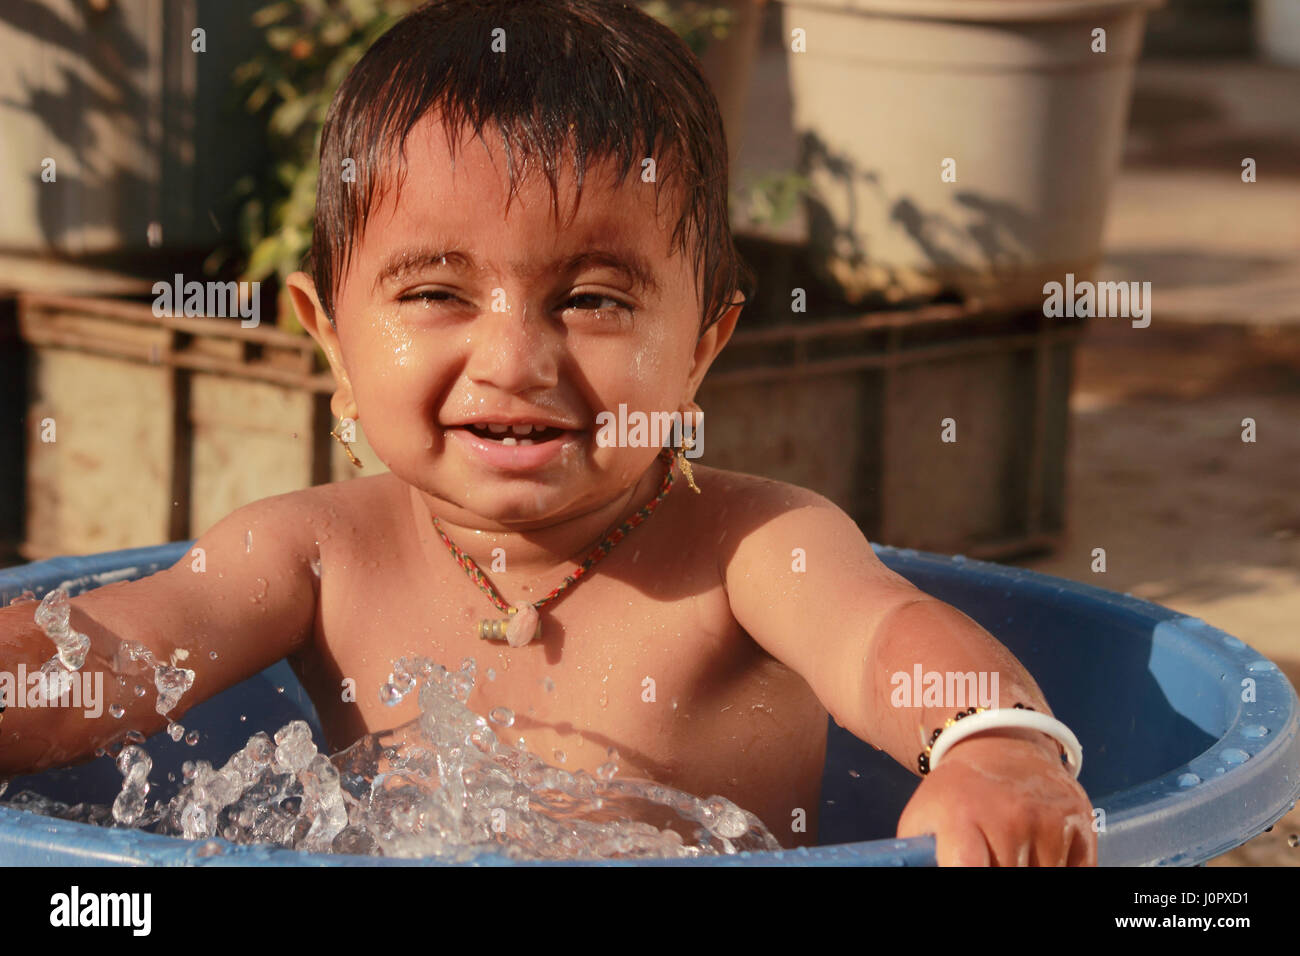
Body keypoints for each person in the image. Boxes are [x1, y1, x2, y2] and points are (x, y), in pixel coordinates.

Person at [0, 0, 1093, 865]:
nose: (515, 361)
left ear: (704, 344)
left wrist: (992, 746)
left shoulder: (756, 549)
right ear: (327, 335)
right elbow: (114, 653)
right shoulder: (314, 551)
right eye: (434, 293)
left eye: (595, 301)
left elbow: (886, 639)